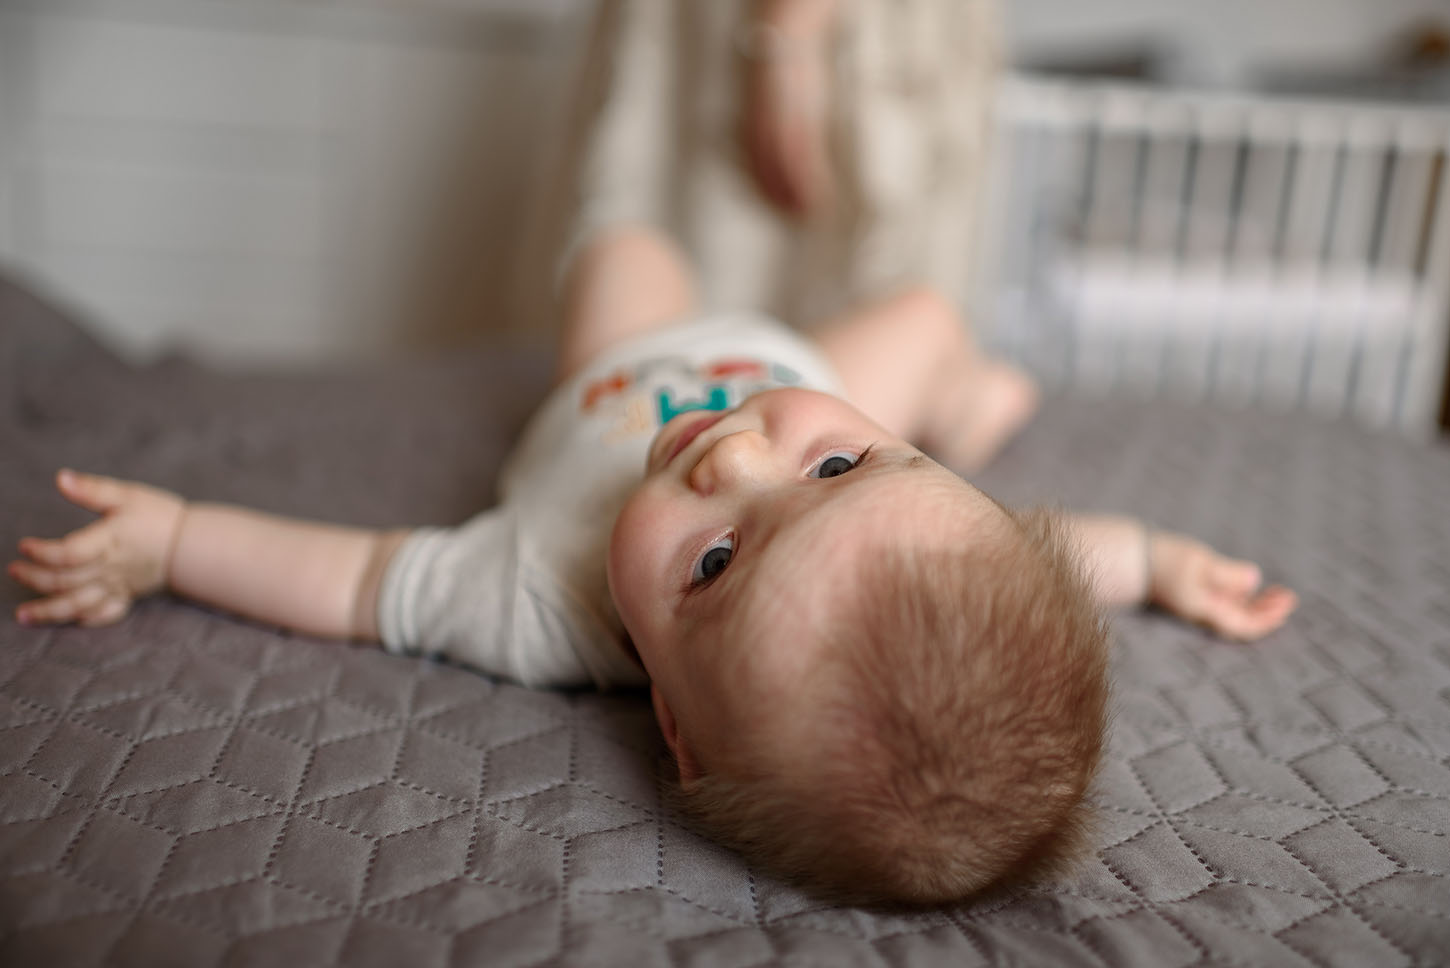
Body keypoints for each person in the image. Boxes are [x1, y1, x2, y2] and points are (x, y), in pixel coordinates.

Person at [8, 226, 1297, 905]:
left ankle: (933, 397)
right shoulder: (891, 505)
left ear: (673, 720)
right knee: (925, 315)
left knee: (621, 251)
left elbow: (351, 582)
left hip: (617, 379)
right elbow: (1044, 551)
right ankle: (956, 395)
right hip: (794, 361)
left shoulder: (532, 600)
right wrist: (1157, 557)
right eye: (839, 468)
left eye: (717, 562)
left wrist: (175, 540)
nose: (733, 459)